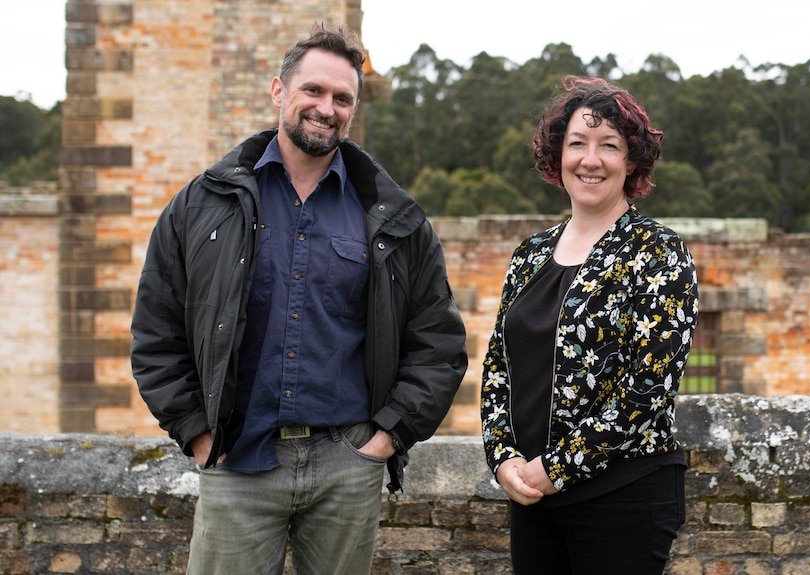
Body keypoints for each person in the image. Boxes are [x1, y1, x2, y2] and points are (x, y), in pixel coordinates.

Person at [130, 23, 467, 575]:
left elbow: (438, 342)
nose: (326, 107)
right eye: (313, 90)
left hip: (347, 467)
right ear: (279, 91)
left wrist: (384, 439)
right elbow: (156, 331)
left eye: (342, 98)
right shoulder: (200, 205)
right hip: (237, 461)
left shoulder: (393, 216)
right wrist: (196, 432)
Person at [480, 76, 698, 574]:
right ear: (558, 155)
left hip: (624, 496)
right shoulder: (530, 254)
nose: (590, 159)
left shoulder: (659, 252)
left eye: (609, 146)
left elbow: (648, 390)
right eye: (577, 143)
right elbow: (498, 368)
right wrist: (503, 457)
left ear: (632, 160)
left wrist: (555, 469)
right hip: (534, 497)